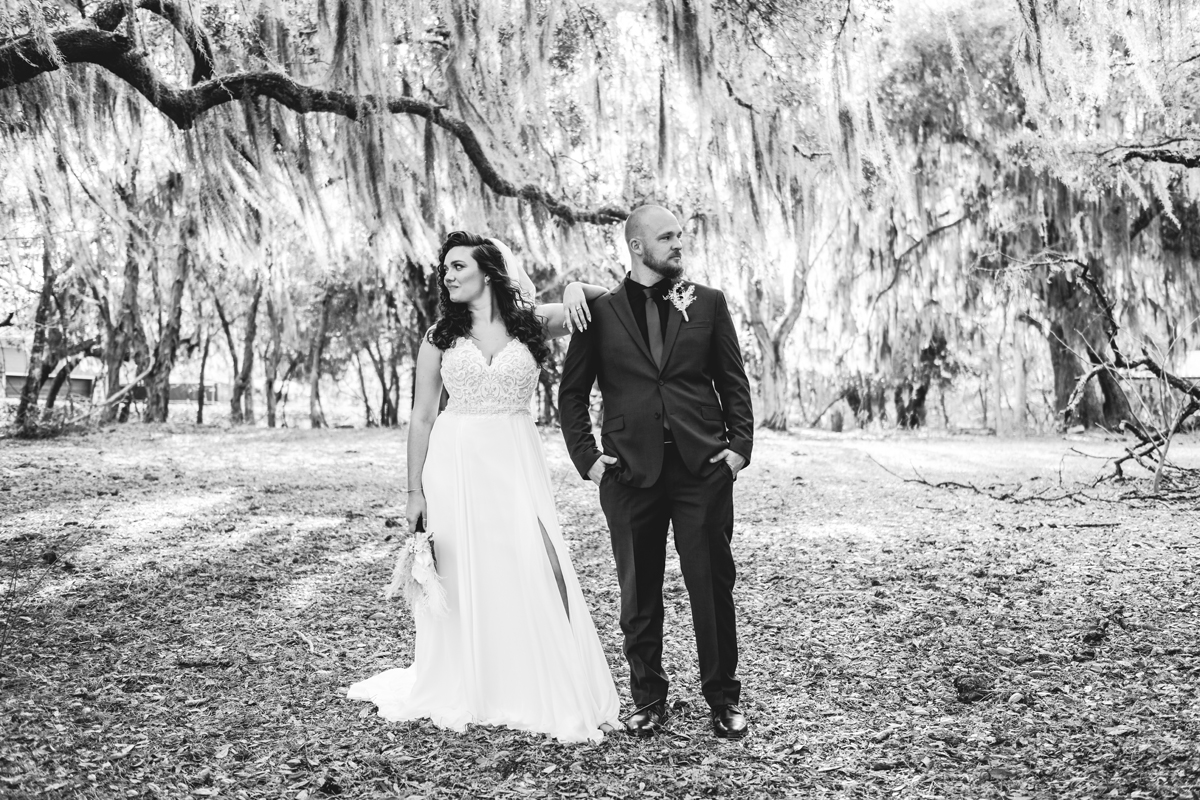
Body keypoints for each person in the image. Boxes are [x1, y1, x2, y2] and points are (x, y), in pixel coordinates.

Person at [347, 231, 620, 743]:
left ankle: (536, 674)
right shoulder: (439, 337)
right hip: (455, 461)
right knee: (467, 570)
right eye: (444, 269)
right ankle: (475, 680)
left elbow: (608, 300)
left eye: (457, 266)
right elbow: (423, 417)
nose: (447, 276)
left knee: (536, 559)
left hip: (515, 456)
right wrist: (413, 493)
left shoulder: (533, 321)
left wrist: (579, 286)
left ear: (489, 271)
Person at [558, 204, 754, 739]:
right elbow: (571, 395)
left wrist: (739, 448)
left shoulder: (709, 304)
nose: (678, 244)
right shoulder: (600, 312)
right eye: (667, 237)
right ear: (637, 246)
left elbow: (733, 383)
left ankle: (723, 698)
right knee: (638, 594)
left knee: (711, 588)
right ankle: (647, 697)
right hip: (629, 474)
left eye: (681, 236)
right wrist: (589, 460)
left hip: (701, 468)